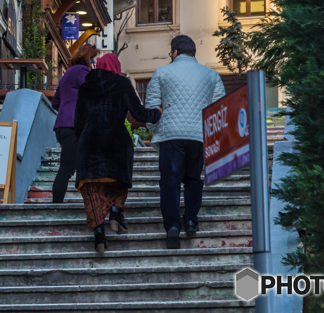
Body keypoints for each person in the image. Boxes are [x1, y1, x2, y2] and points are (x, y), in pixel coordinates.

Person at [74, 53, 162, 254]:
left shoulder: (86, 87)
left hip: (90, 145)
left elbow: (78, 122)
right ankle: (115, 212)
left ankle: (98, 235)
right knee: (118, 182)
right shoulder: (122, 84)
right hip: (117, 143)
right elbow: (139, 113)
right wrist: (158, 112)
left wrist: (82, 144)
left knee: (93, 191)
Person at [145, 34, 226, 249]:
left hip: (171, 136)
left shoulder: (162, 72)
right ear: (193, 52)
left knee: (169, 182)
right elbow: (219, 110)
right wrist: (212, 138)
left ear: (174, 52)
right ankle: (190, 219)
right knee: (193, 179)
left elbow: (152, 107)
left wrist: (155, 130)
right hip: (198, 136)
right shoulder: (211, 75)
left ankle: (172, 225)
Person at [50, 44, 99, 203]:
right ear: (87, 57)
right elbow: (93, 93)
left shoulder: (68, 73)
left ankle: (89, 204)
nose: (94, 63)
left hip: (63, 126)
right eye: (93, 59)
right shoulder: (81, 71)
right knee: (67, 169)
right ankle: (56, 206)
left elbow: (55, 103)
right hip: (73, 127)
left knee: (74, 166)